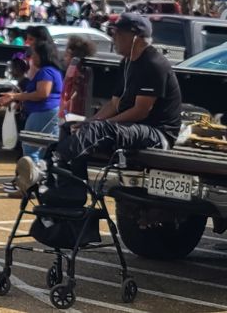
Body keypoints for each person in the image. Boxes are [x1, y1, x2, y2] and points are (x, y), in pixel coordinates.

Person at [15, 13, 183, 191]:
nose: (114, 38)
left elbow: (141, 111)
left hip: (157, 134)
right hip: (132, 128)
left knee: (98, 128)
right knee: (71, 127)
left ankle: (45, 167)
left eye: (118, 33)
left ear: (135, 37)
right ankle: (67, 195)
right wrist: (90, 121)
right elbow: (114, 104)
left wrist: (100, 124)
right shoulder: (127, 63)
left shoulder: (153, 64)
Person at [0, 40, 64, 195]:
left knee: (31, 149)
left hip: (43, 112)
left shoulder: (46, 71)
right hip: (47, 112)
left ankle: (28, 188)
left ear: (42, 55)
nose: (31, 58)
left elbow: (42, 93)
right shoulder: (52, 70)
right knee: (40, 151)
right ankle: (34, 186)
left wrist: (15, 96)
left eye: (33, 55)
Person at [58, 36, 97, 119]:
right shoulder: (84, 71)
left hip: (71, 113)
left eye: (66, 55)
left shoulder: (73, 70)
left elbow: (69, 92)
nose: (64, 58)